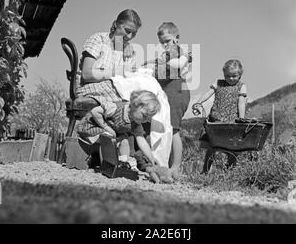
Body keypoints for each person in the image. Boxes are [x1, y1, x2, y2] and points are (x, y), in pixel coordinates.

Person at [143, 22, 191, 180]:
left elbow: (178, 64)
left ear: (176, 38)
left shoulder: (177, 51)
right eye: (162, 42)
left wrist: (160, 62)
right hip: (168, 92)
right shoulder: (167, 54)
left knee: (174, 129)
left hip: (177, 92)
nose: (164, 44)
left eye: (167, 41)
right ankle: (166, 165)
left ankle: (175, 167)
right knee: (167, 129)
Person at [192, 59, 248, 173]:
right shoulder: (218, 83)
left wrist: (241, 119)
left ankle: (230, 171)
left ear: (240, 75)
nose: (231, 78)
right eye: (227, 76)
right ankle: (206, 170)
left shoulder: (241, 86)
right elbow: (208, 93)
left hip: (231, 122)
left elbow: (241, 103)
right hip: (215, 121)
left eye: (234, 76)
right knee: (212, 147)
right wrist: (199, 102)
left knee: (232, 147)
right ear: (224, 74)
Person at [78, 90, 161, 165]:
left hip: (112, 134)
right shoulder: (115, 108)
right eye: (144, 115)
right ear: (135, 105)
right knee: (108, 136)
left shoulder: (136, 124)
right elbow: (95, 111)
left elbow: (142, 141)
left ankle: (123, 163)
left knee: (124, 140)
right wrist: (106, 127)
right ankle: (104, 162)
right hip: (94, 125)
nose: (145, 120)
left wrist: (151, 159)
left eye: (148, 118)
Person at [77, 9, 142, 102]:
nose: (129, 36)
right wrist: (119, 72)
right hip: (91, 90)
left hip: (114, 93)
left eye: (134, 33)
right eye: (127, 31)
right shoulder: (99, 39)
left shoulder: (128, 51)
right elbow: (86, 75)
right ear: (116, 24)